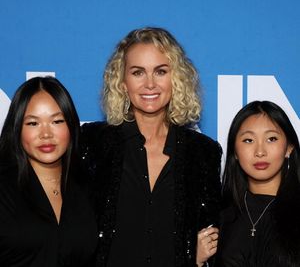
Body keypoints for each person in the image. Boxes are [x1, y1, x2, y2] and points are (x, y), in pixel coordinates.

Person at [81, 27, 222, 267]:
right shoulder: (92, 143)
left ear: (176, 78)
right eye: (137, 72)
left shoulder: (203, 153)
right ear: (122, 82)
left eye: (160, 71)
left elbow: (209, 232)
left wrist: (192, 257)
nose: (149, 84)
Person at [0, 77, 98, 267]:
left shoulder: (88, 188)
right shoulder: (4, 189)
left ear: (71, 125)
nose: (46, 134)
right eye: (33, 123)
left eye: (57, 121)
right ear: (17, 128)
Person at [215, 100, 300, 266]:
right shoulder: (219, 216)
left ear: (289, 148)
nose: (260, 152)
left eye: (271, 139)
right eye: (248, 140)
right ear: (235, 152)